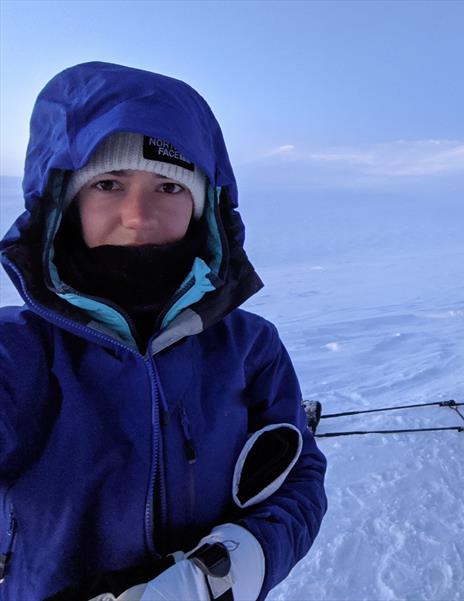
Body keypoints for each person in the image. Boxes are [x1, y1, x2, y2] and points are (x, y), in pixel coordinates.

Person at [0, 62, 327, 600]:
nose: (138, 216)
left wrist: (231, 567)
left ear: (203, 210)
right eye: (108, 184)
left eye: (170, 186)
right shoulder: (21, 350)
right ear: (64, 202)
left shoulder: (250, 346)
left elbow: (297, 473)